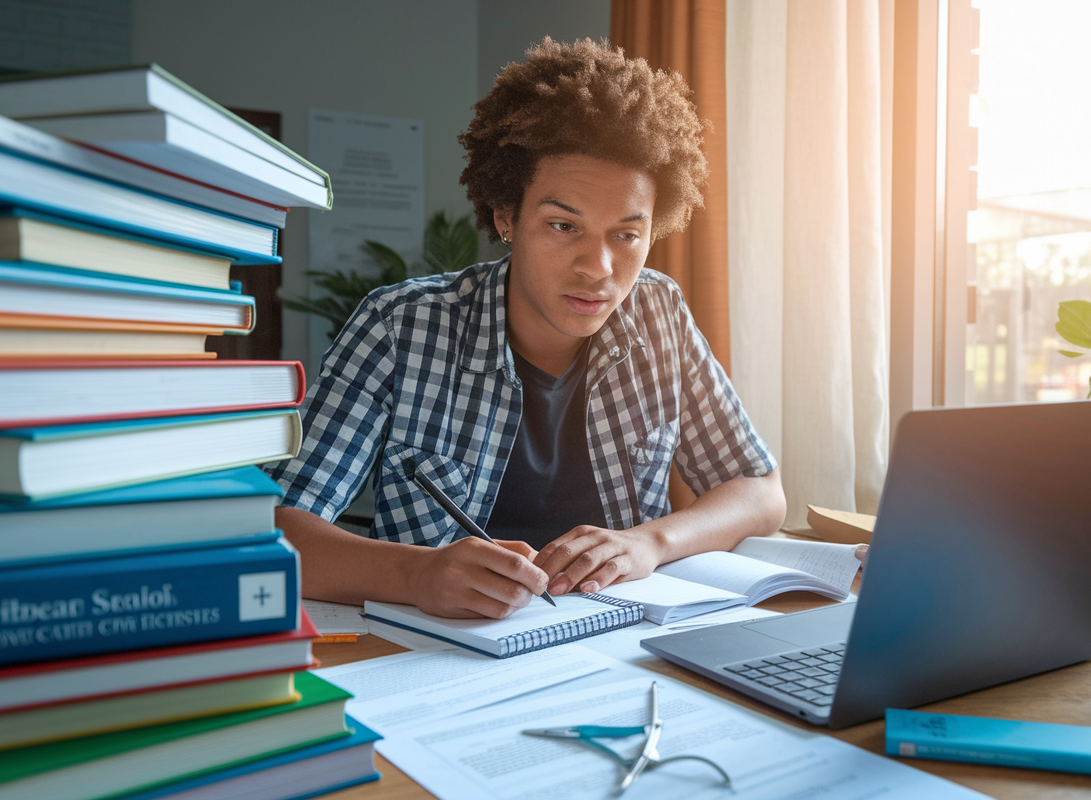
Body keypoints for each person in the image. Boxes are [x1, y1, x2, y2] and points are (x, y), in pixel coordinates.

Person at [268, 37, 785, 619]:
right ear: (506, 217)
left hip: (616, 645)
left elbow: (759, 490)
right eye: (564, 226)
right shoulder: (401, 327)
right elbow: (277, 525)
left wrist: (650, 542)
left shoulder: (658, 311)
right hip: (437, 653)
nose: (599, 268)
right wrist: (415, 573)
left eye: (626, 234)